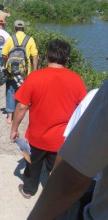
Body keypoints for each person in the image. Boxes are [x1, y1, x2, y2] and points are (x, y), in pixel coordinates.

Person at [10, 39, 87, 199]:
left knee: (32, 165)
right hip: (62, 138)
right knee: (57, 171)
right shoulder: (76, 79)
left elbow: (21, 107)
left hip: (37, 137)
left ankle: (28, 190)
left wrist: (14, 128)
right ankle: (54, 198)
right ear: (67, 58)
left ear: (47, 55)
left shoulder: (35, 77)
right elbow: (83, 110)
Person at [27, 80, 108, 220]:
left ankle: (29, 189)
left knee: (35, 165)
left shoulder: (96, 96)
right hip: (57, 142)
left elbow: (72, 176)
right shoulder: (76, 81)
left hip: (93, 197)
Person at [2, 20, 38, 124]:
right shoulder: (30, 39)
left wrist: (6, 65)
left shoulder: (10, 38)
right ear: (24, 28)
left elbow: (4, 54)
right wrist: (34, 71)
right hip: (25, 72)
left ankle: (9, 117)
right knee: (23, 93)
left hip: (12, 71)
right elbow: (34, 56)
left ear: (14, 28)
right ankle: (20, 114)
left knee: (10, 90)